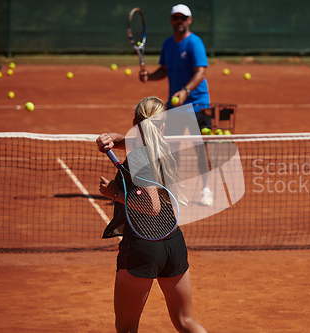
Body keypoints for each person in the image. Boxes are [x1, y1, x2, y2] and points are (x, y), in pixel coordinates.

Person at [96, 96, 207, 333]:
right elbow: (143, 144)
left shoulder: (138, 156)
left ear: (135, 123)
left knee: (126, 328)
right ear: (163, 126)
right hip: (173, 242)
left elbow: (151, 205)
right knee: (185, 321)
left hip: (143, 246)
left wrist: (114, 193)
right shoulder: (165, 148)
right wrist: (116, 140)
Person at [140, 4, 213, 206]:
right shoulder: (168, 44)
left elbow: (201, 72)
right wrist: (149, 76)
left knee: (201, 150)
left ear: (189, 20)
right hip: (176, 107)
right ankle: (172, 189)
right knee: (170, 150)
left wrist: (185, 91)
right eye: (176, 18)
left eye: (183, 17)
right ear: (172, 20)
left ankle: (206, 189)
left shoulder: (194, 43)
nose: (179, 21)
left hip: (198, 104)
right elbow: (164, 70)